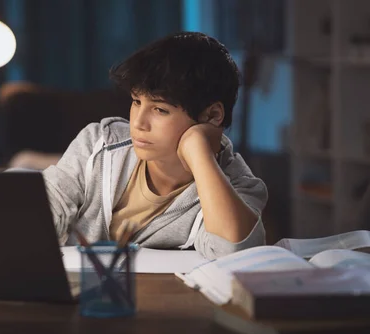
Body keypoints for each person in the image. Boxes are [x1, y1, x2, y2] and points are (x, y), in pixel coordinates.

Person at [42, 32, 268, 259]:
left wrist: (199, 152)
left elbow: (236, 255)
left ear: (213, 115)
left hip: (164, 294)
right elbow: (41, 216)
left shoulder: (238, 186)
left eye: (160, 110)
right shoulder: (98, 144)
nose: (138, 123)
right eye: (136, 102)